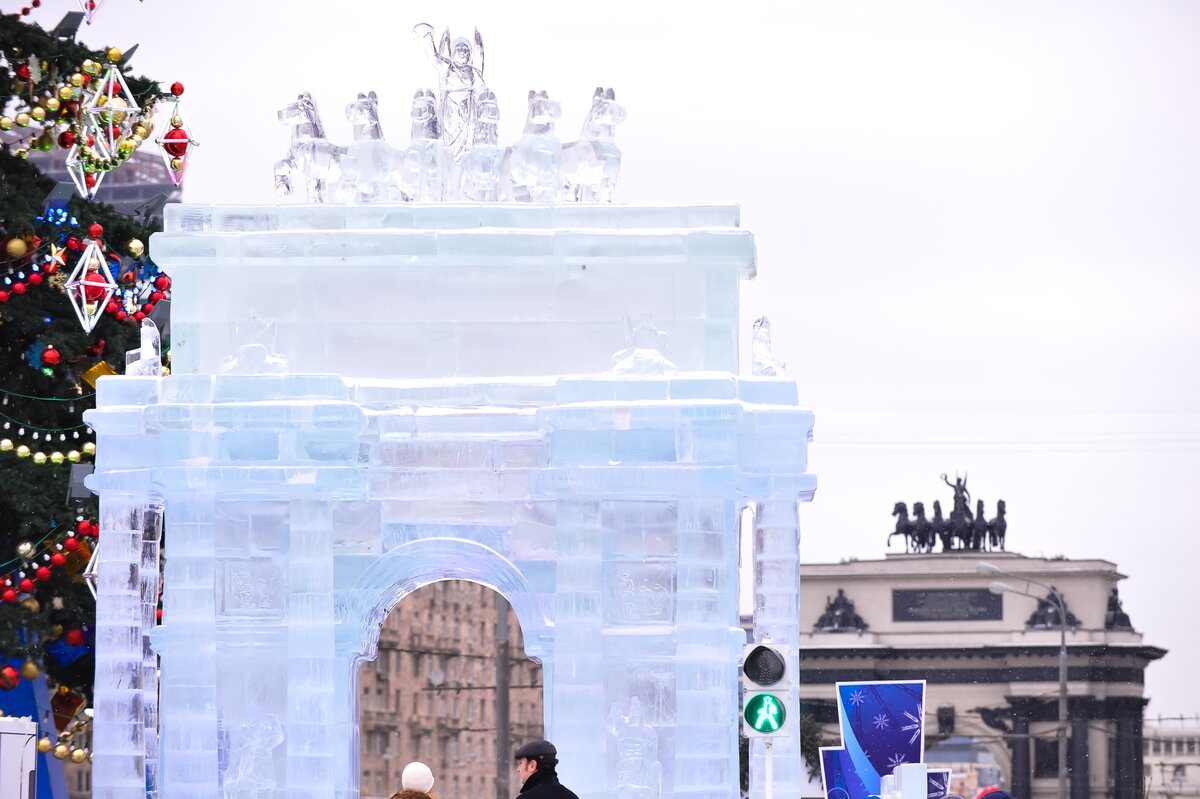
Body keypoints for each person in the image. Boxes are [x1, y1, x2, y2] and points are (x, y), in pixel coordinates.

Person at [514, 740, 579, 799]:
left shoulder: (526, 797)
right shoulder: (571, 796)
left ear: (532, 765)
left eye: (520, 763)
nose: (518, 769)